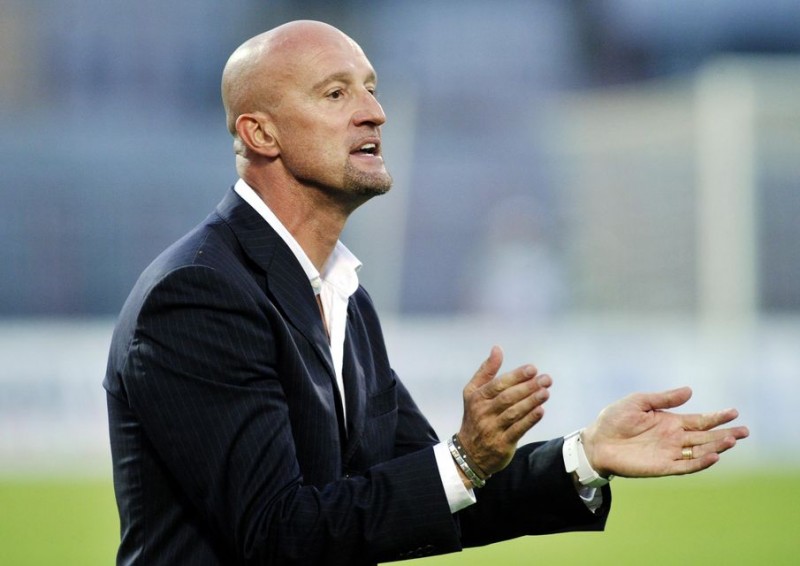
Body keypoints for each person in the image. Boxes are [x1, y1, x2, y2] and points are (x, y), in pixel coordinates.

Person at [104, 20, 749, 566]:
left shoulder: (343, 295)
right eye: (336, 93)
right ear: (260, 134)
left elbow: (427, 489)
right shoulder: (198, 293)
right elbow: (278, 534)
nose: (374, 112)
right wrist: (464, 460)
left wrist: (584, 455)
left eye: (371, 88)